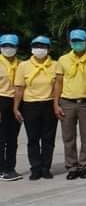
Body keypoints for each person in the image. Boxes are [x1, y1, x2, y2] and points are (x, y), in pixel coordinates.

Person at [54, 29, 86, 180]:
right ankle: (72, 167)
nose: (77, 43)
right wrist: (56, 104)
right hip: (67, 102)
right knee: (68, 137)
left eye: (80, 41)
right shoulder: (63, 59)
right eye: (74, 41)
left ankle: (84, 167)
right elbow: (58, 83)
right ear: (70, 42)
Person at [14, 36, 58, 180]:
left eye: (43, 46)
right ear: (32, 48)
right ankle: (35, 168)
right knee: (33, 138)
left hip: (49, 104)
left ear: (48, 49)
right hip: (30, 105)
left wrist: (57, 104)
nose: (39, 49)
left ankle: (46, 168)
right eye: (36, 46)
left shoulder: (55, 65)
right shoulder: (24, 65)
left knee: (48, 139)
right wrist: (16, 107)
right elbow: (19, 88)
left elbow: (58, 87)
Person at [0, 34, 21, 181]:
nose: (8, 48)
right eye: (5, 46)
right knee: (1, 138)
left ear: (16, 47)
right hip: (1, 99)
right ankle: (1, 169)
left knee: (13, 138)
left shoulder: (20, 64)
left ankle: (10, 168)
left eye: (11, 46)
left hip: (16, 101)